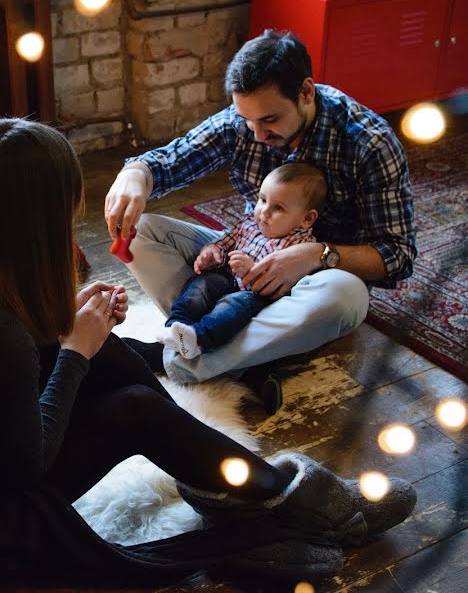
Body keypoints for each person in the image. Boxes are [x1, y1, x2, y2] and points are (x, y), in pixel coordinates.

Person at [0, 118, 415, 584]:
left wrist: (72, 331)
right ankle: (273, 496)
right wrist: (74, 351)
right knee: (131, 404)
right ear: (37, 220)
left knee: (108, 357)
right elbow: (22, 468)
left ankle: (225, 482)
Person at [105, 30, 416, 394]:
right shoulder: (246, 122)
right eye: (247, 120)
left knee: (346, 297)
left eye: (268, 120)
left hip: (317, 283)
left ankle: (181, 359)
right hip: (242, 264)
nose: (256, 134)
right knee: (140, 230)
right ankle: (233, 350)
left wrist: (317, 255)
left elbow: (397, 255)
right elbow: (170, 160)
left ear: (306, 92)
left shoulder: (368, 142)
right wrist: (135, 174)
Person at [160, 162, 326, 412]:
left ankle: (200, 339)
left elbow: (278, 286)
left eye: (278, 208)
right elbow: (223, 242)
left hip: (257, 297)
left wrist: (250, 269)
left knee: (233, 305)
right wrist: (211, 252)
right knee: (202, 284)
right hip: (228, 278)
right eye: (262, 199)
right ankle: (176, 327)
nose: (264, 212)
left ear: (306, 219)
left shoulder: (300, 244)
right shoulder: (250, 223)